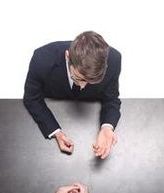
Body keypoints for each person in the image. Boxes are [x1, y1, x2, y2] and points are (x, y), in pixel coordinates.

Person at [23, 31, 122, 159]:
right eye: (77, 78)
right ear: (67, 56)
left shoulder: (114, 60)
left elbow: (111, 98)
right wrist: (56, 132)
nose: (83, 86)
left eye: (90, 81)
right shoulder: (42, 59)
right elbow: (32, 98)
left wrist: (107, 127)